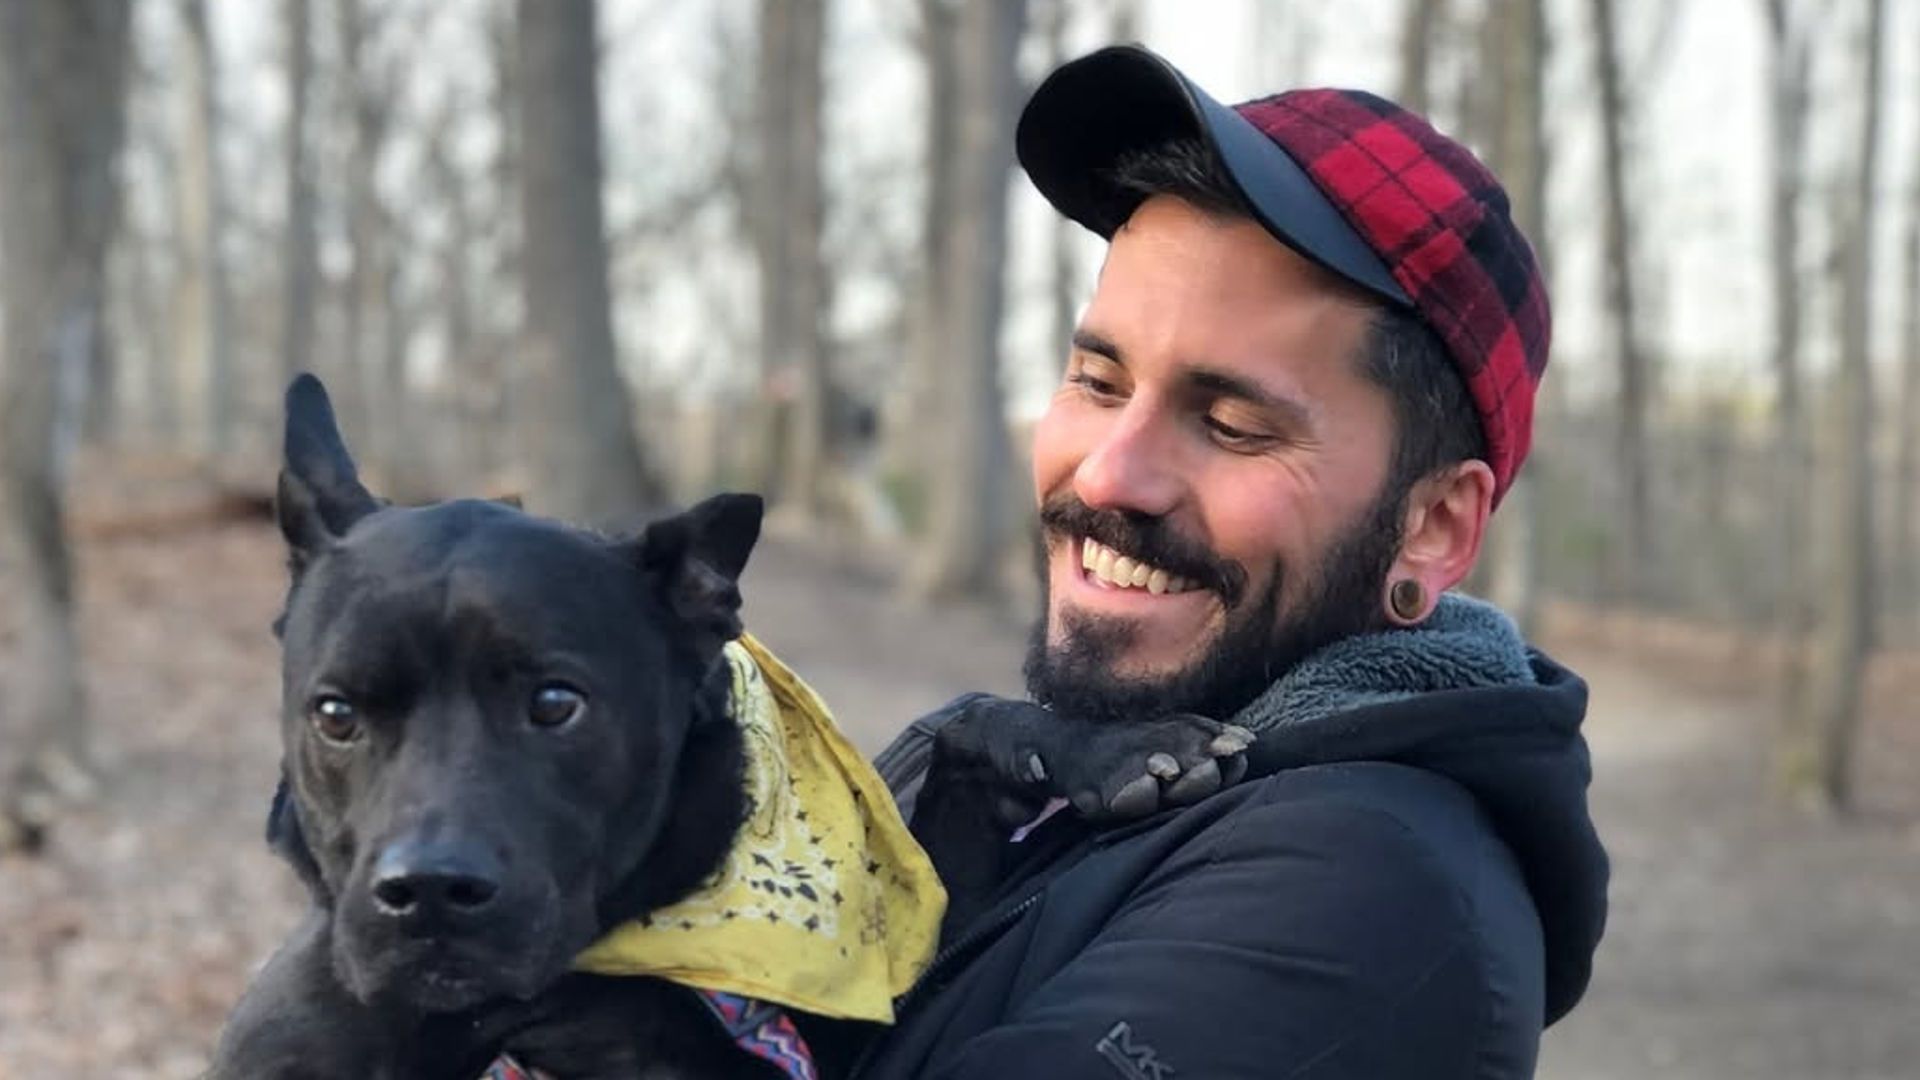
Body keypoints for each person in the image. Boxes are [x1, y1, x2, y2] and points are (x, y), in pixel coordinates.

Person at [834, 45, 1610, 1079]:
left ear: (1432, 525)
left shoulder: (1369, 895)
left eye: (1234, 424)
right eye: (1099, 382)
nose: (1109, 477)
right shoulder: (1139, 767)